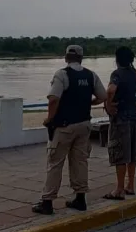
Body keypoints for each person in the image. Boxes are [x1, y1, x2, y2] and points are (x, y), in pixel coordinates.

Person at [33, 45, 107, 215]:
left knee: (55, 163)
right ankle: (80, 198)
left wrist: (50, 119)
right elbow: (103, 96)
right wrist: (88, 103)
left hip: (64, 126)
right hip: (84, 124)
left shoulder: (62, 74)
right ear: (81, 58)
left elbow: (53, 99)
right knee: (80, 162)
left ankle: (47, 202)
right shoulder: (90, 75)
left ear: (66, 58)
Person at [103, 46, 136, 200]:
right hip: (133, 116)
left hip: (121, 118)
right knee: (132, 153)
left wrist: (108, 105)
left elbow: (111, 90)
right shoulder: (134, 72)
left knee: (119, 152)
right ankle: (130, 185)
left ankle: (119, 189)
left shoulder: (117, 74)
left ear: (117, 59)